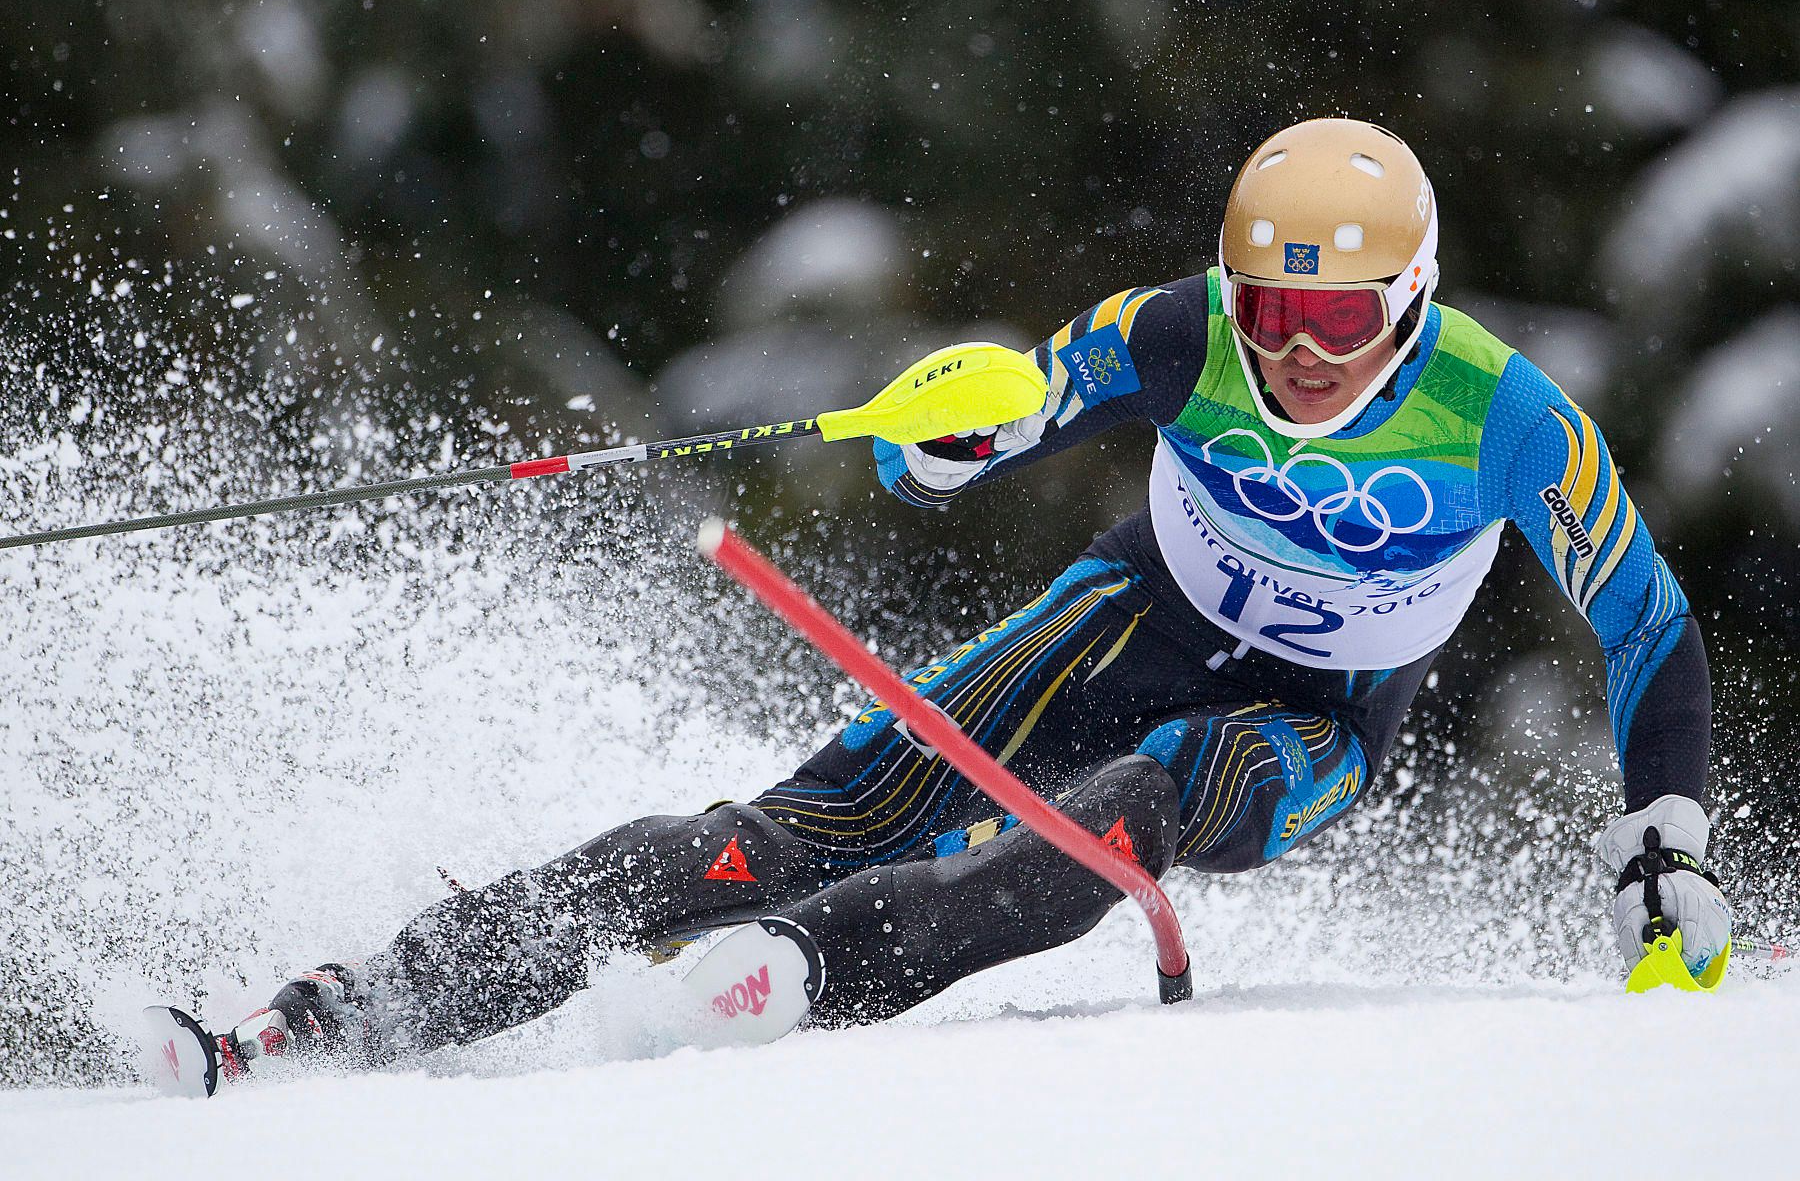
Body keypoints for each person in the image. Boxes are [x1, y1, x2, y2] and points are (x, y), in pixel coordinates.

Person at [217, 117, 1728, 1075]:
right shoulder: (1177, 335)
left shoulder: (1506, 416)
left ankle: (807, 975)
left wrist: (1662, 842)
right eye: (1274, 310)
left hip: (1317, 720)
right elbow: (979, 437)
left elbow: (1647, 625)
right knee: (796, 831)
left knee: (1130, 807)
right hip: (1132, 619)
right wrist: (942, 447)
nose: (1300, 352)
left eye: (1341, 317)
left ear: (1409, 299)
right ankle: (380, 993)